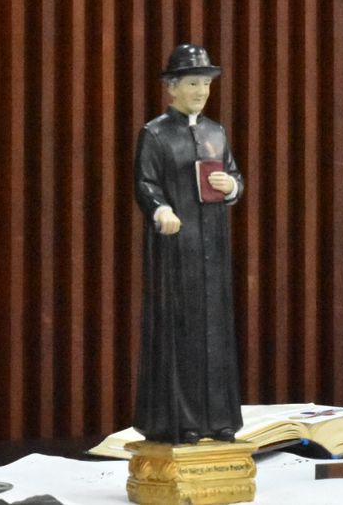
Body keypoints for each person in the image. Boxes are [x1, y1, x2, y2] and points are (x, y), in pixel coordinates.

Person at [133, 44, 245, 444]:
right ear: (172, 88)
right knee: (181, 333)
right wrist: (161, 209)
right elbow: (146, 182)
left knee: (216, 332)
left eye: (205, 84)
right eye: (193, 83)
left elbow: (234, 175)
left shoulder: (217, 132)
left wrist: (231, 186)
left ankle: (219, 419)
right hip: (177, 251)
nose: (201, 91)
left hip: (214, 249)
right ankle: (181, 421)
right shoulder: (155, 133)